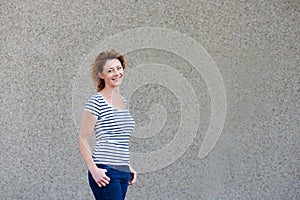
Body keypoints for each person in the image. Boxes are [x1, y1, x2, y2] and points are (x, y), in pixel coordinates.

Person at [78, 50, 137, 200]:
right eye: (110, 70)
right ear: (101, 75)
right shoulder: (96, 102)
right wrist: (94, 170)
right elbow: (83, 139)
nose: (116, 73)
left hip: (122, 172)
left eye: (119, 68)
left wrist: (127, 165)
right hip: (105, 171)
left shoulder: (124, 102)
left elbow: (118, 138)